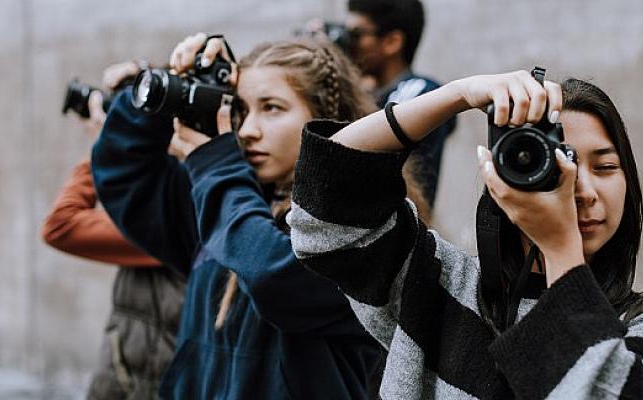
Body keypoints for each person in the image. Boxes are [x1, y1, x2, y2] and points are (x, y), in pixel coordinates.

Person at [287, 71, 643, 398]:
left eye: (605, 168)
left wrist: (558, 248)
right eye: (558, 164)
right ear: (504, 176)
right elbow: (327, 207)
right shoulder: (439, 284)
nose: (584, 190)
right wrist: (459, 95)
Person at [91, 33, 431, 399]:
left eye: (271, 108)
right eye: (241, 110)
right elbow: (124, 175)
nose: (248, 130)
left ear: (324, 119)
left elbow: (273, 275)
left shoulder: (360, 226)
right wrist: (177, 81)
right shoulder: (227, 200)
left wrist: (215, 169)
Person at [42, 61, 185, 400]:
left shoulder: (175, 212)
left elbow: (61, 225)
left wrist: (107, 146)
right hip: (133, 374)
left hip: (146, 382)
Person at [344, 0, 456, 206]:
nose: (348, 45)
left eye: (356, 35)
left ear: (392, 42)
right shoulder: (363, 95)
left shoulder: (420, 91)